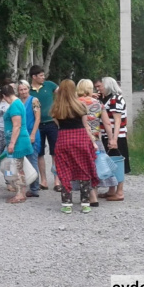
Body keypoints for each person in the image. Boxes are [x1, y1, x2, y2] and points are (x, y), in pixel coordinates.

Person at [50, 79, 98, 214]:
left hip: (64, 139)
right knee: (84, 170)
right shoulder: (81, 106)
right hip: (80, 139)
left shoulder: (56, 108)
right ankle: (85, 203)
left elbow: (58, 126)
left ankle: (66, 203)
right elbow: (86, 126)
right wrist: (93, 142)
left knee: (64, 171)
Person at [76, 79, 116, 207]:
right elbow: (107, 123)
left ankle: (85, 192)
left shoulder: (74, 103)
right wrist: (111, 139)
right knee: (96, 166)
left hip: (79, 139)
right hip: (95, 139)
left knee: (82, 166)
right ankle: (95, 192)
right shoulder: (98, 103)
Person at [0, 84, 34, 203]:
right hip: (20, 139)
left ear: (4, 96)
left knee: (18, 168)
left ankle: (20, 194)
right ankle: (21, 192)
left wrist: (12, 143)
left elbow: (17, 125)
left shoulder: (14, 106)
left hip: (19, 141)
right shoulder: (19, 103)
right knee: (19, 167)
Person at [97, 76, 129, 201]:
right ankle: (111, 189)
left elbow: (117, 121)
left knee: (118, 163)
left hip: (118, 135)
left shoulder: (116, 99)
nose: (99, 89)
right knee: (110, 162)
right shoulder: (107, 99)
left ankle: (119, 191)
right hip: (107, 135)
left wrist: (114, 139)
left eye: (101, 86)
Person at [29, 65, 60, 191]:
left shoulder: (50, 85)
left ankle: (57, 181)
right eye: (40, 75)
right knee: (39, 153)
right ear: (34, 77)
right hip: (37, 126)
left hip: (52, 123)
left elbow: (64, 93)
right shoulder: (28, 90)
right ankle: (44, 180)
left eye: (43, 75)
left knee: (55, 153)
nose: (43, 77)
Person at [17, 80, 41, 198]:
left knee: (32, 160)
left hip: (32, 133)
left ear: (28, 89)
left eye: (25, 89)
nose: (23, 92)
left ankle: (35, 188)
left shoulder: (34, 100)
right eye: (21, 90)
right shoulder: (18, 102)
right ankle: (23, 186)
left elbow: (38, 118)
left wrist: (33, 134)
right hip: (21, 134)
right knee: (21, 162)